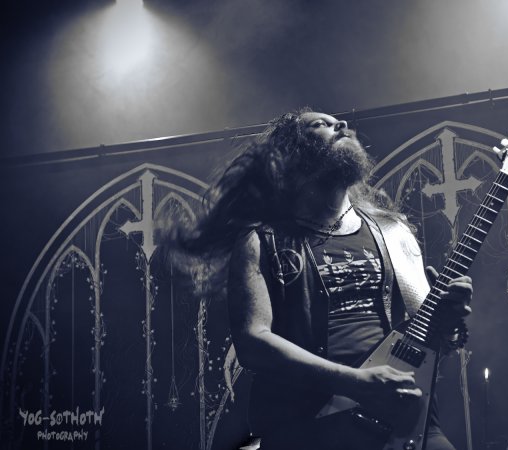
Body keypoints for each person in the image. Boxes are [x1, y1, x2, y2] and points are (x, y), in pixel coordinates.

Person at [172, 108, 472, 450]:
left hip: (402, 418)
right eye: (321, 124)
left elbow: (433, 345)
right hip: (309, 425)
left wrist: (449, 321)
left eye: (340, 122)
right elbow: (253, 342)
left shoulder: (393, 231)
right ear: (291, 155)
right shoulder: (262, 239)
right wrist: (355, 382)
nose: (341, 124)